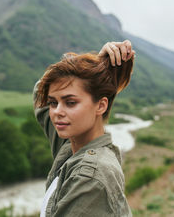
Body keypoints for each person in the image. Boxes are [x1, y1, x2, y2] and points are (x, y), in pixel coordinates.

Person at [34, 40, 135, 217]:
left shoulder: (90, 176)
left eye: (70, 103)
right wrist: (97, 64)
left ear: (101, 106)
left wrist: (93, 69)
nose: (57, 112)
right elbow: (39, 94)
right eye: (53, 103)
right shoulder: (70, 146)